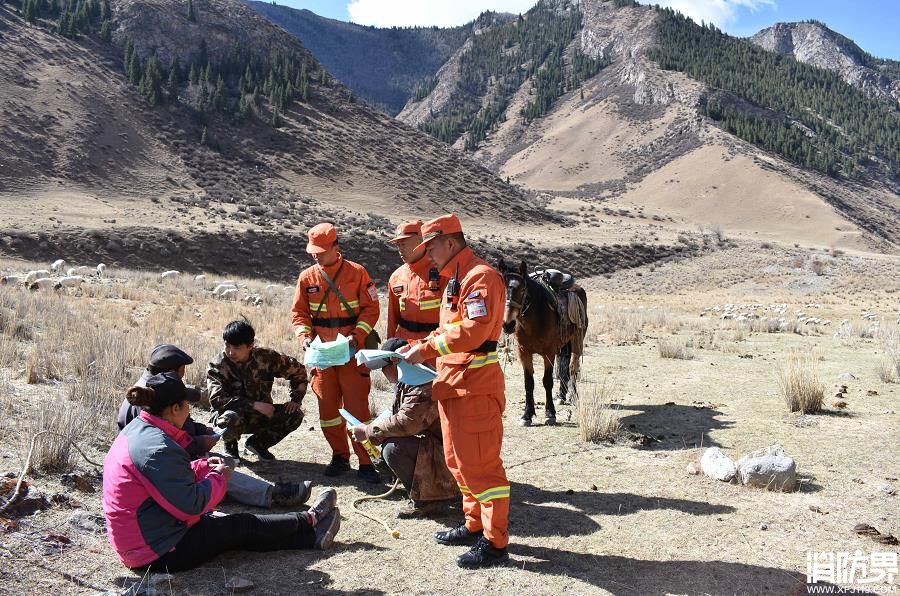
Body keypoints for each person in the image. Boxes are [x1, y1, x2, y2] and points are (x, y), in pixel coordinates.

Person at [103, 372, 341, 572]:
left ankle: (312, 537)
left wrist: (203, 467)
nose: (189, 409)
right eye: (187, 404)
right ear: (175, 408)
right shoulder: (158, 447)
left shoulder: (141, 431)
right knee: (238, 526)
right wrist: (219, 478)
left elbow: (163, 481)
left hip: (145, 538)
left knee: (231, 531)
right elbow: (191, 505)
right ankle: (310, 520)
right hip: (157, 551)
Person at [399, 213, 510, 569]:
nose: (427, 255)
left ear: (450, 242)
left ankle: (495, 543)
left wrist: (428, 350)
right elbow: (450, 328)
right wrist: (418, 344)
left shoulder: (480, 277)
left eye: (431, 247)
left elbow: (474, 332)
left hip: (475, 390)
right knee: (458, 463)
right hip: (453, 386)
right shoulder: (454, 281)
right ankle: (474, 524)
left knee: (483, 468)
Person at [118, 343, 311, 508]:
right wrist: (201, 443)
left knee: (223, 463)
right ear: (172, 372)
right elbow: (166, 449)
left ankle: (227, 489)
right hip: (156, 473)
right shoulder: (151, 400)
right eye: (182, 371)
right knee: (218, 471)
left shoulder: (151, 390)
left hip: (160, 465)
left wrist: (203, 433)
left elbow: (176, 432)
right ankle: (274, 495)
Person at [290, 222, 381, 483]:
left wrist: (357, 337)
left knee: (357, 410)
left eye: (321, 250)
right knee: (328, 411)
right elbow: (299, 314)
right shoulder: (306, 277)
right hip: (322, 356)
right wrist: (305, 337)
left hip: (352, 353)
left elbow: (371, 309)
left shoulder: (358, 273)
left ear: (336, 247)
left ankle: (366, 462)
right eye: (313, 251)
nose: (316, 255)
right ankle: (339, 456)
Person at [351, 338, 457, 518]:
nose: (384, 372)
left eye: (384, 367)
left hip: (449, 459)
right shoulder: (411, 381)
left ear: (394, 362)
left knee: (394, 449)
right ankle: (426, 491)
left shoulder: (423, 385)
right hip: (442, 451)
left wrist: (368, 431)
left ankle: (429, 499)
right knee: (389, 444)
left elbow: (406, 423)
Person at [207, 320, 307, 461]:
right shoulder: (217, 365)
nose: (230, 352)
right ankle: (230, 448)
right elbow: (217, 400)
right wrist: (255, 405)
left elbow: (298, 371)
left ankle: (258, 444)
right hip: (233, 418)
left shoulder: (266, 357)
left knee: (294, 415)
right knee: (229, 417)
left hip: (261, 416)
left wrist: (296, 399)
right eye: (227, 345)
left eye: (237, 348)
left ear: (250, 346)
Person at [385, 220, 446, 342]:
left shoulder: (444, 272)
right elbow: (392, 319)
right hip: (403, 348)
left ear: (421, 242)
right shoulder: (396, 277)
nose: (400, 249)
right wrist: (389, 349)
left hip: (434, 346)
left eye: (404, 243)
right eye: (398, 245)